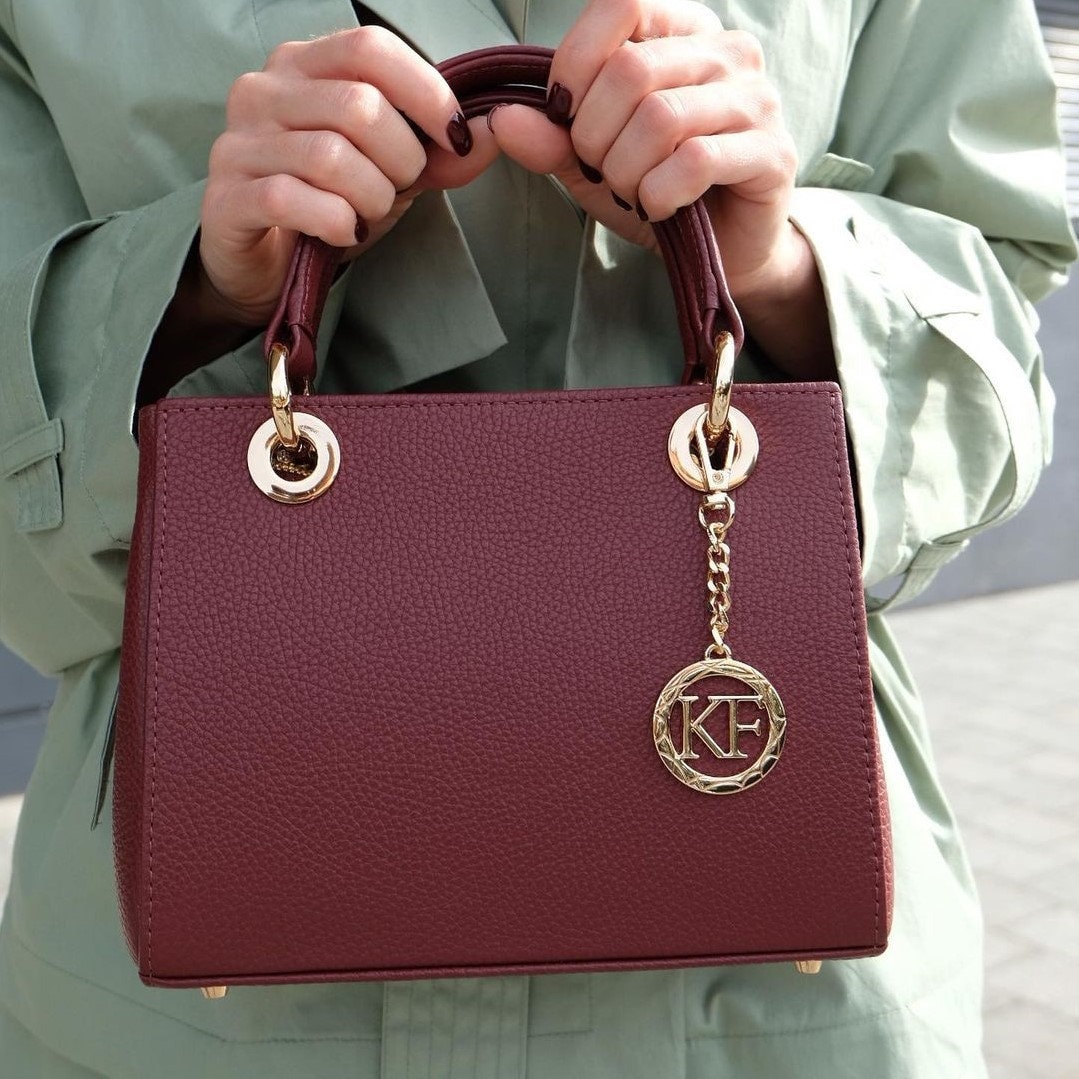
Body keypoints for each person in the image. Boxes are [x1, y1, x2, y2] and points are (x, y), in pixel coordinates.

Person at [0, 0, 1073, 1076]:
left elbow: (994, 350)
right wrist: (192, 287)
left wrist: (782, 267)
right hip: (185, 1017)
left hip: (784, 1011)